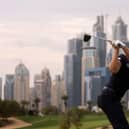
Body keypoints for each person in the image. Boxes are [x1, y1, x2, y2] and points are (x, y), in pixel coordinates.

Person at [97, 40, 129, 129]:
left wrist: (123, 46)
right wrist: (116, 50)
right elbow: (112, 69)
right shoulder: (123, 58)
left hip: (113, 99)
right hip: (108, 96)